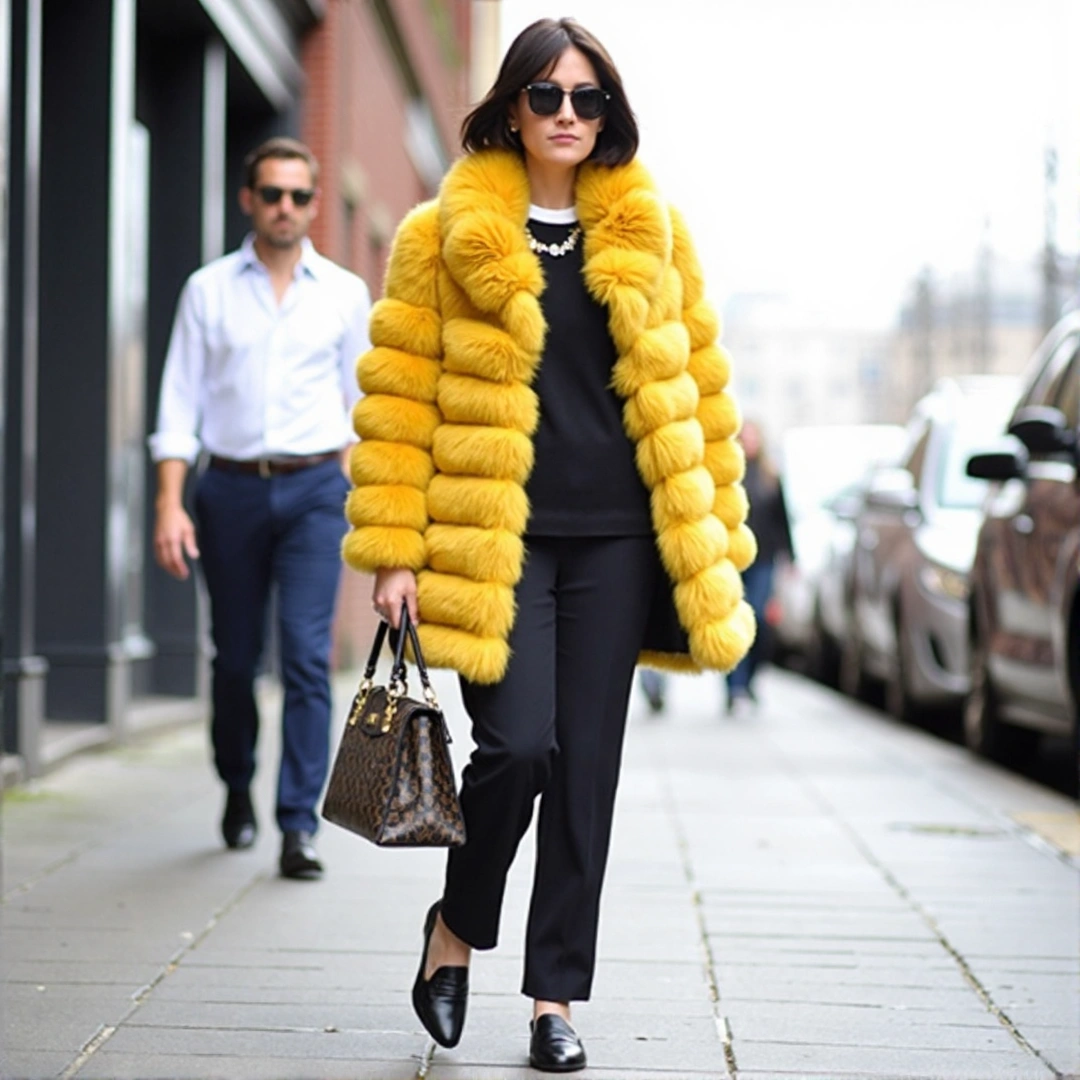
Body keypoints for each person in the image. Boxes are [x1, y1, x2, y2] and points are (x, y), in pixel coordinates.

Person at [343, 18, 755, 1072]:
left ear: (608, 113)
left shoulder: (654, 230)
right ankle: (456, 928)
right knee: (518, 748)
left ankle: (553, 1000)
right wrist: (393, 548)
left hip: (618, 539)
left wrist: (719, 535)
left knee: (588, 771)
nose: (567, 116)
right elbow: (398, 399)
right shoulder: (443, 235)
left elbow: (700, 389)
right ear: (510, 107)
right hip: (499, 540)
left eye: (587, 99)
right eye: (547, 96)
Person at [149, 137, 371, 880]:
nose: (286, 208)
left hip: (315, 492)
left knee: (307, 657)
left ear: (313, 203)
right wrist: (170, 503)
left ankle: (296, 825)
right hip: (231, 489)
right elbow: (177, 402)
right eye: (272, 194)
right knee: (235, 659)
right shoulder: (208, 290)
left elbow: (359, 407)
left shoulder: (343, 293)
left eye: (300, 196)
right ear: (249, 200)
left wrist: (361, 502)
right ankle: (236, 783)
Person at [724, 419, 793, 715]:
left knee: (760, 622)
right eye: (745, 436)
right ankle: (734, 687)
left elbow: (783, 520)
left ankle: (750, 679)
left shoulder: (770, 476)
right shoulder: (727, 474)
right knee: (732, 624)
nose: (749, 441)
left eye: (753, 435)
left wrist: (791, 558)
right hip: (732, 560)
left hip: (764, 560)